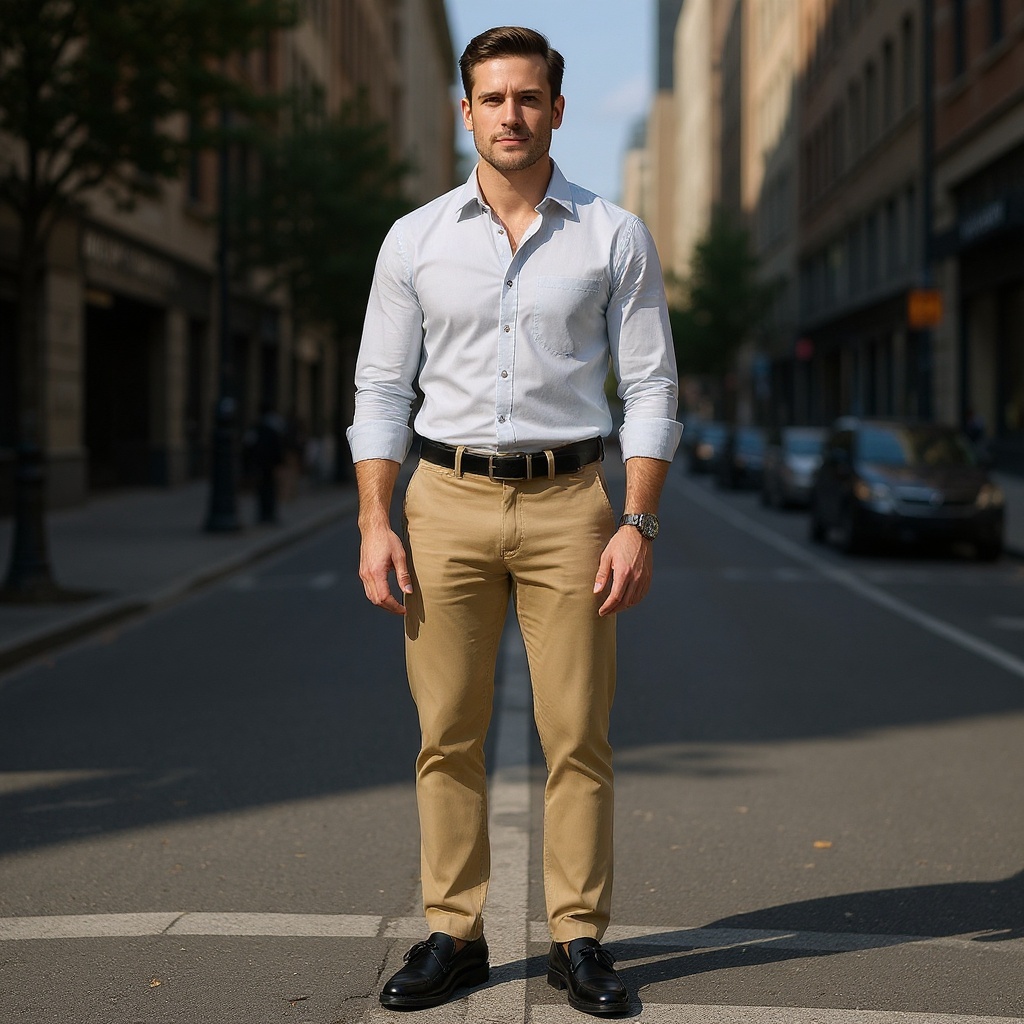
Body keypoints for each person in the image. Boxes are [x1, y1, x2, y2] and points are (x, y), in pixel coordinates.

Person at [347, 26, 681, 1017]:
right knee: (445, 730)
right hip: (440, 499)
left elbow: (653, 385)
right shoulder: (414, 239)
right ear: (465, 111)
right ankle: (454, 931)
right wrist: (375, 518)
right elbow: (378, 388)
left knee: (577, 731)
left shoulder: (612, 234)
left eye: (527, 98)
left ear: (556, 109)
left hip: (570, 504)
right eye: (491, 99)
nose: (509, 115)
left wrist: (638, 520)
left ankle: (577, 939)